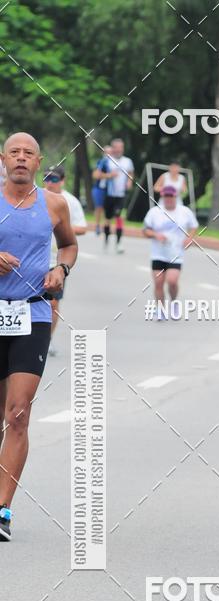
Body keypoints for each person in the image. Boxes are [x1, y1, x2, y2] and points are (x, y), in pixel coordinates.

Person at [0, 133, 77, 541]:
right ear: (3, 159)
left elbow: (68, 246)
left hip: (32, 312)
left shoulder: (53, 204)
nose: (21, 159)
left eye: (28, 153)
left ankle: (2, 508)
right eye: (14, 152)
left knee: (19, 412)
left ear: (39, 161)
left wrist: (61, 271)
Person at [42, 165, 87, 355]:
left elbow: (82, 228)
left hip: (56, 261)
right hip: (32, 260)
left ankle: (47, 340)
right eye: (46, 178)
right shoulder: (34, 197)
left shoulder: (69, 201)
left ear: (62, 180)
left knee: (52, 303)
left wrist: (61, 225)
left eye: (54, 179)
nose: (49, 183)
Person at [142, 185, 199, 314]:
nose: (168, 199)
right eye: (165, 196)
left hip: (176, 254)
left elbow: (194, 226)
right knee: (159, 283)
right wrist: (156, 235)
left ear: (175, 197)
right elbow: (145, 230)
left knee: (172, 281)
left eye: (171, 196)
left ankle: (174, 302)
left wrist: (189, 238)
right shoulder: (155, 212)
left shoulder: (184, 211)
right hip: (158, 254)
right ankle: (160, 309)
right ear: (162, 197)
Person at [93, 138, 134, 254]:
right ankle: (106, 240)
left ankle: (119, 243)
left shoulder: (128, 161)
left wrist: (129, 182)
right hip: (108, 193)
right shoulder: (106, 161)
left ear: (123, 148)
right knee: (107, 219)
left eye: (120, 147)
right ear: (113, 148)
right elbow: (96, 174)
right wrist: (110, 175)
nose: (118, 150)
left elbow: (130, 173)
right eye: (116, 147)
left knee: (119, 216)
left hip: (121, 195)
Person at [92, 144, 111, 235]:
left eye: (110, 152)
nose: (108, 154)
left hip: (110, 189)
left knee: (108, 208)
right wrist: (109, 176)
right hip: (99, 188)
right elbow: (96, 175)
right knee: (99, 207)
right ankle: (97, 226)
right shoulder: (101, 162)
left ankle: (106, 226)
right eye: (106, 152)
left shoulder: (115, 162)